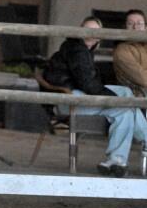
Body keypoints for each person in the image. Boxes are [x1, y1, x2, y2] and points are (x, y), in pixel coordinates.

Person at [43, 16, 147, 176]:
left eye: (95, 31)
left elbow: (89, 81)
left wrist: (115, 97)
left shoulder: (83, 49)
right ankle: (125, 153)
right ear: (80, 30)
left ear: (100, 36)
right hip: (68, 100)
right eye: (87, 29)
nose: (90, 33)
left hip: (75, 94)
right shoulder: (77, 50)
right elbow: (87, 84)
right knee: (124, 108)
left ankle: (116, 161)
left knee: (126, 95)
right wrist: (114, 99)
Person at [114, 9, 147, 97]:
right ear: (125, 28)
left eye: (139, 24)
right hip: (136, 96)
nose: (135, 27)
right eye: (130, 23)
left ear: (145, 28)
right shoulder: (122, 50)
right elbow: (143, 79)